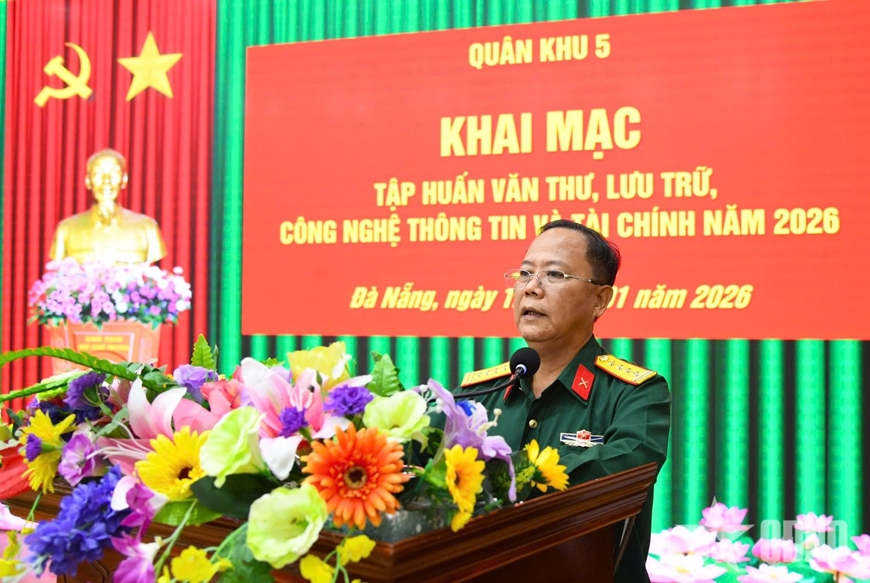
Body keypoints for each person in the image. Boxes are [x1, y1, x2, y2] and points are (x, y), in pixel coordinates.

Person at [457, 219, 671, 583]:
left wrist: (501, 477)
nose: (531, 288)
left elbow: (622, 472)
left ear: (600, 300)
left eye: (554, 274)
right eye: (525, 273)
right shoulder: (478, 393)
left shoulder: (636, 394)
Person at [49, 148, 166, 264]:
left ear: (124, 180)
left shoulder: (147, 228)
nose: (106, 181)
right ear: (88, 181)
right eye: (98, 174)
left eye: (114, 174)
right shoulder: (66, 229)